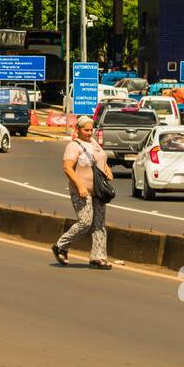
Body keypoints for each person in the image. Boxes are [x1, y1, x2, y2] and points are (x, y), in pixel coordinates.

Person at [53, 116, 114, 270]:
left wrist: (107, 169)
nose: (89, 133)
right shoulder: (74, 146)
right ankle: (61, 245)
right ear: (78, 130)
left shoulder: (94, 143)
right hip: (81, 191)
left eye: (91, 130)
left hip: (98, 191)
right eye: (86, 130)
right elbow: (67, 167)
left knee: (99, 224)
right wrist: (80, 186)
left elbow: (101, 159)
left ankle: (98, 257)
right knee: (85, 222)